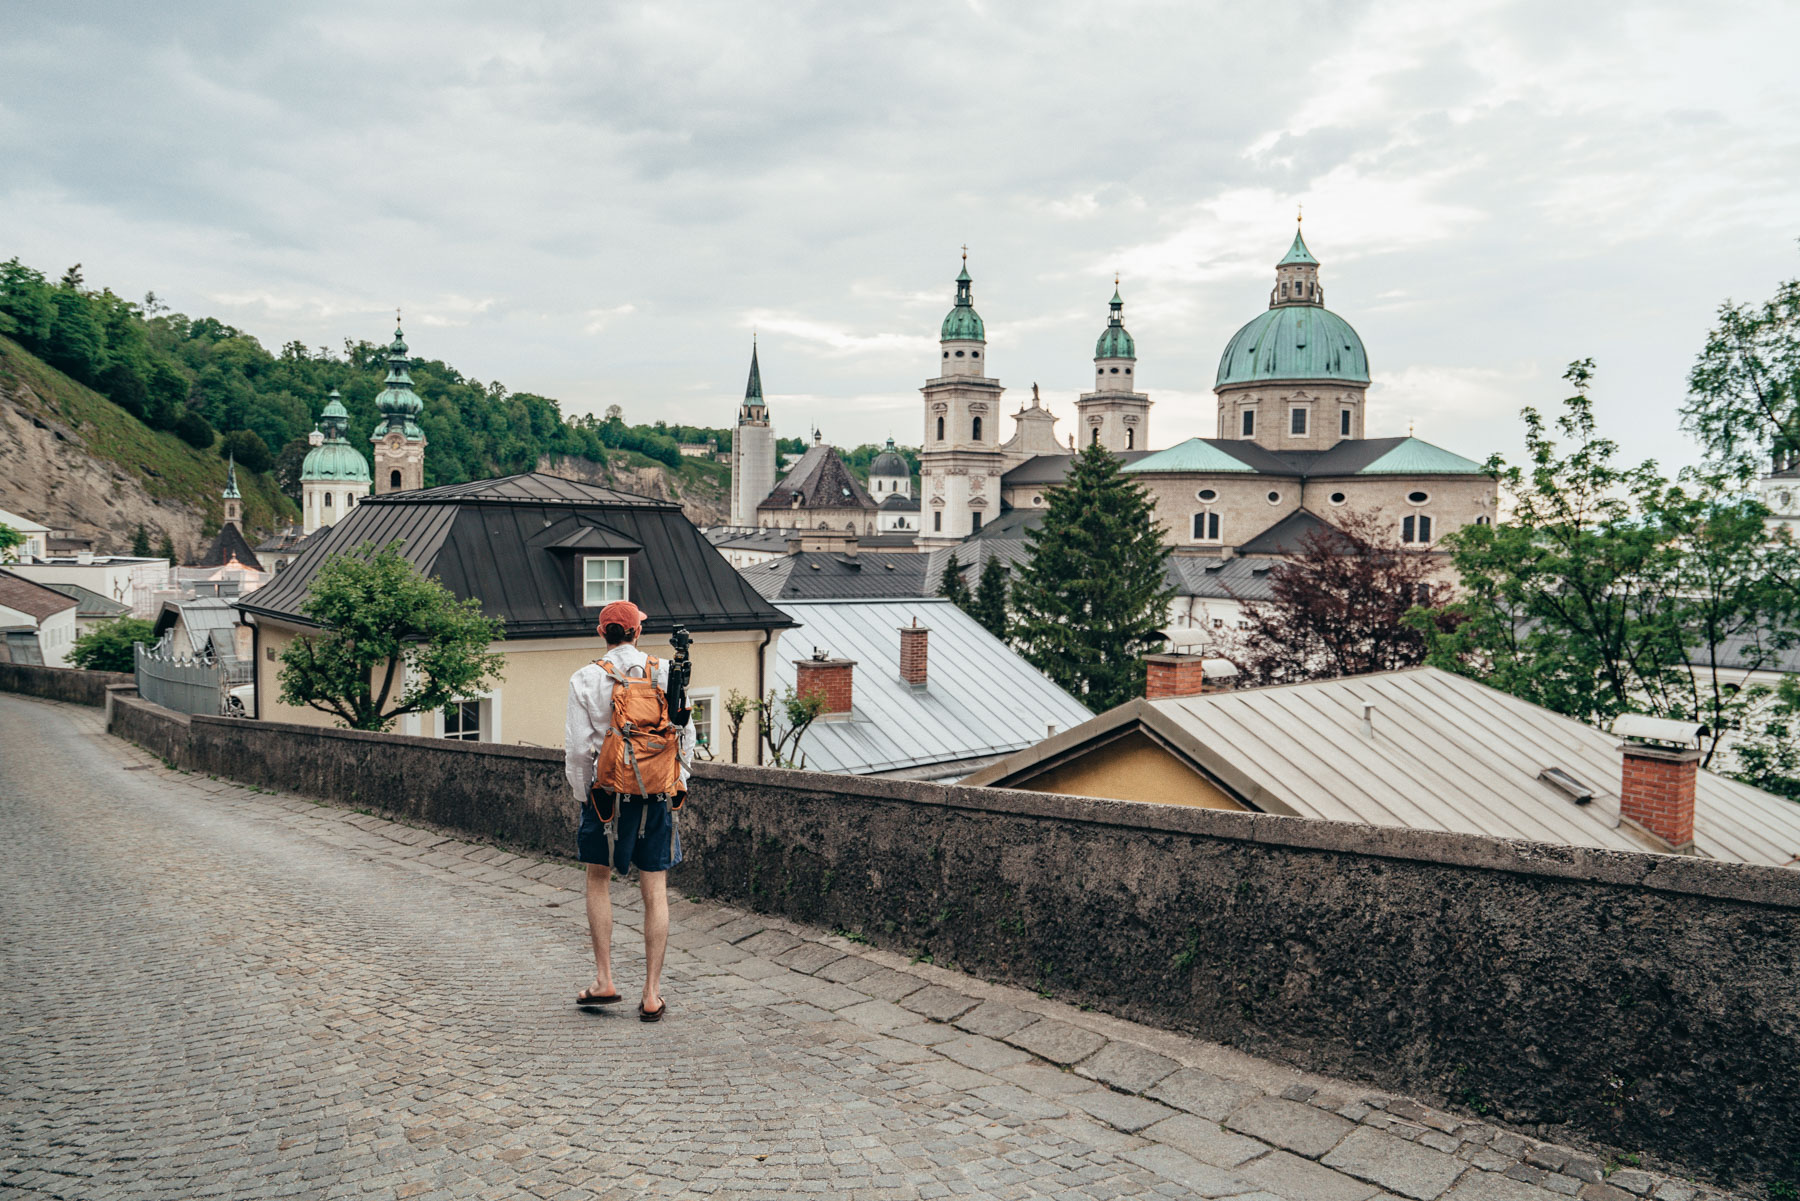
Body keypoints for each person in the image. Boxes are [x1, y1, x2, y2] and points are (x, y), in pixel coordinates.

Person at [563, 600, 694, 1022]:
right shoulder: (663, 671)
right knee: (655, 892)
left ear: (602, 634)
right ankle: (652, 994)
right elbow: (684, 731)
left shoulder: (585, 677)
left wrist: (587, 797)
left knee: (598, 883)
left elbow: (578, 749)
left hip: (607, 795)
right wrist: (679, 783)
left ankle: (604, 980)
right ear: (637, 632)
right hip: (655, 793)